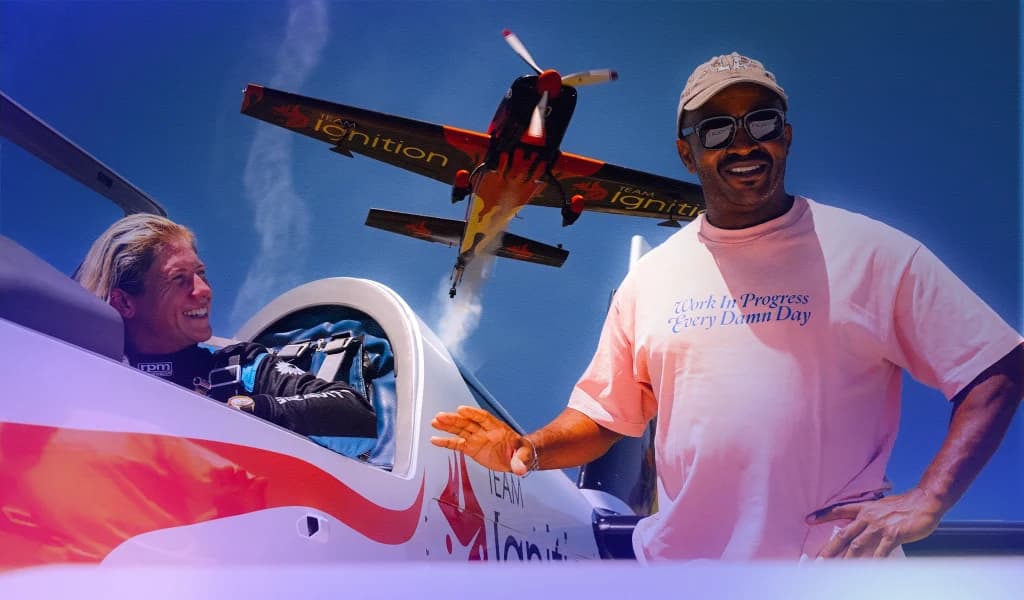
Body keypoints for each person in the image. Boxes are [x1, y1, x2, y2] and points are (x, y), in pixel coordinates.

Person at [431, 52, 1023, 561]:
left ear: (785, 136)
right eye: (715, 129)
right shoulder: (651, 277)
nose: (742, 142)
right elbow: (606, 419)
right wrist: (526, 449)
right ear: (687, 155)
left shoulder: (874, 253)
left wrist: (932, 497)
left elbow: (997, 363)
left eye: (761, 122)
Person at [76, 213, 377, 439]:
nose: (204, 289)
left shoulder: (239, 367)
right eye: (178, 279)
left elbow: (356, 412)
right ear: (125, 303)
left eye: (201, 273)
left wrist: (244, 408)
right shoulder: (84, 372)